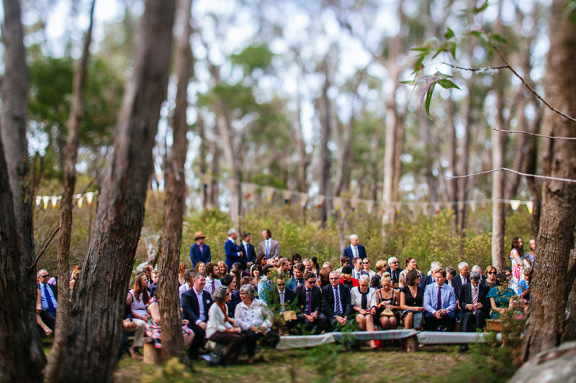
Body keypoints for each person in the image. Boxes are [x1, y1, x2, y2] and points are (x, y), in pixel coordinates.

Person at [234, 284, 279, 364]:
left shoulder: (260, 303)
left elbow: (269, 315)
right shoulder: (239, 306)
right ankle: (251, 356)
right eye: (240, 294)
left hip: (261, 327)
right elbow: (238, 321)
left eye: (243, 294)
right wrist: (250, 327)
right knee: (251, 336)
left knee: (274, 337)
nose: (241, 296)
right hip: (248, 328)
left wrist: (264, 326)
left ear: (249, 294)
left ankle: (264, 353)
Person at [206, 286, 245, 366]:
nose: (229, 295)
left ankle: (233, 358)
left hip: (222, 329)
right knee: (235, 338)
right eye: (227, 294)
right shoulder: (214, 308)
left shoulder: (225, 306)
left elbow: (225, 321)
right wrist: (228, 331)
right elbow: (215, 325)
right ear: (222, 296)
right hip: (213, 332)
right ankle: (223, 359)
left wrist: (232, 328)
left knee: (242, 336)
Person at [181, 272, 214, 359]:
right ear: (195, 281)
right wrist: (199, 322)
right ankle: (194, 354)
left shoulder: (207, 294)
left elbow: (211, 309)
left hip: (206, 321)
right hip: (192, 321)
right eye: (201, 280)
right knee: (199, 330)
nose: (203, 282)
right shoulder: (187, 295)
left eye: (204, 280)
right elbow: (188, 311)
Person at [460, 271, 491, 339]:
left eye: (476, 283)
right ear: (470, 279)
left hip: (480, 312)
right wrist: (466, 305)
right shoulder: (465, 287)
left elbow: (488, 304)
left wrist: (482, 305)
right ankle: (464, 340)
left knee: (478, 314)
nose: (474, 285)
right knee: (468, 316)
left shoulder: (485, 288)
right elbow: (461, 302)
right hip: (468, 311)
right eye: (473, 283)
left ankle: (478, 338)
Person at [126, 273, 150, 358]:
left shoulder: (147, 293)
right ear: (139, 282)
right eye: (144, 280)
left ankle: (144, 348)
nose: (147, 281)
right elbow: (131, 311)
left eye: (147, 279)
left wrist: (147, 316)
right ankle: (135, 348)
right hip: (136, 316)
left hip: (145, 315)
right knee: (142, 325)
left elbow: (147, 307)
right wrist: (142, 318)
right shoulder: (132, 293)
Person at [351, 275, 378, 348]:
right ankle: (366, 339)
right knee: (361, 318)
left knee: (369, 317)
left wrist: (373, 309)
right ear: (359, 283)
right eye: (363, 285)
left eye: (366, 286)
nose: (364, 288)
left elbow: (373, 303)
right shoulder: (354, 290)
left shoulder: (372, 291)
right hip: (357, 311)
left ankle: (372, 341)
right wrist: (359, 310)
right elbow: (352, 305)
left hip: (368, 312)